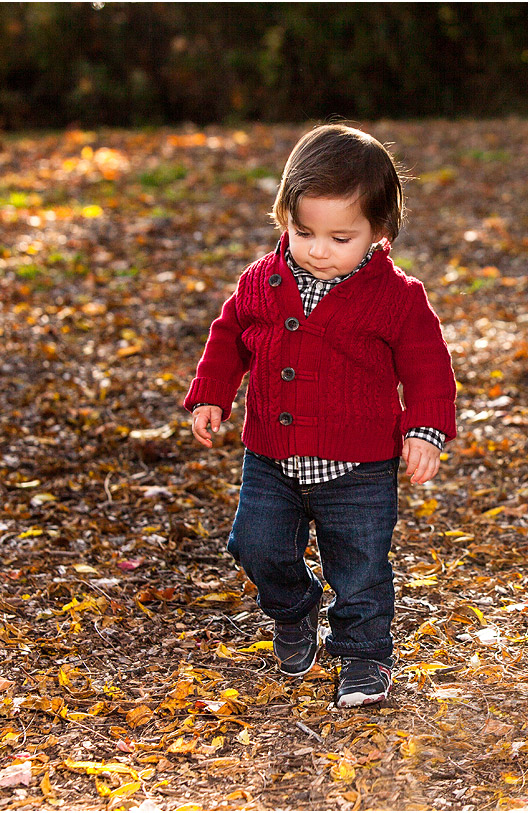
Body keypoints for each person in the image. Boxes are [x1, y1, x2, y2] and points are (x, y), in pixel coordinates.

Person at [183, 124, 457, 708]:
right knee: (255, 545)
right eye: (303, 231)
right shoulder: (263, 281)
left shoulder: (397, 298)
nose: (317, 249)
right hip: (272, 457)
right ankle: (294, 606)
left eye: (339, 237)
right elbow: (230, 335)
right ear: (284, 216)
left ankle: (363, 658)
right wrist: (212, 391)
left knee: (359, 566)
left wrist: (425, 429)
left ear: (379, 233)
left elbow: (428, 366)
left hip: (358, 466)